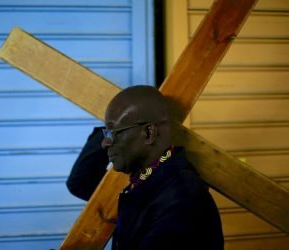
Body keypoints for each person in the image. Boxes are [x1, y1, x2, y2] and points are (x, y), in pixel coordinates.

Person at [67, 85, 224, 249]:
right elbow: (80, 182)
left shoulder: (181, 203)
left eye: (112, 132)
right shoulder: (147, 182)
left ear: (149, 133)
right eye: (106, 133)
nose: (104, 143)